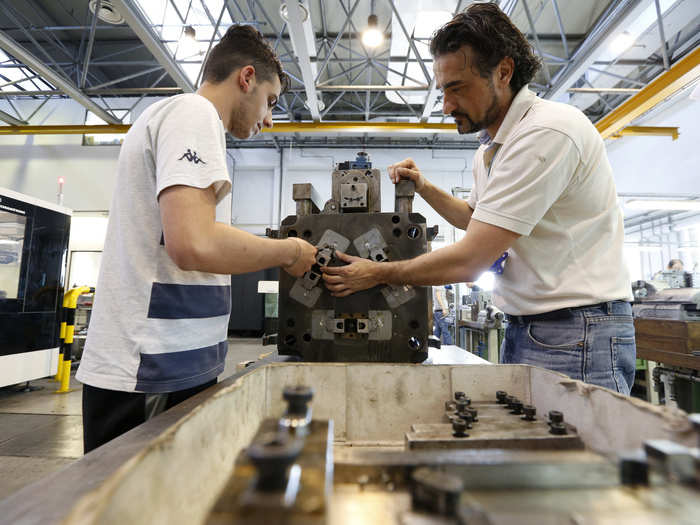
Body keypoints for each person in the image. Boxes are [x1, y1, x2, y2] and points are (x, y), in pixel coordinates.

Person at [321, 4, 636, 395]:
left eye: (457, 88)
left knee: (579, 452)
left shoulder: (547, 133)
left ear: (503, 72)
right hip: (532, 326)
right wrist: (423, 186)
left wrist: (377, 272)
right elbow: (475, 218)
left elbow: (472, 260)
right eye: (443, 91)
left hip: (577, 330)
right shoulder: (492, 147)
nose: (447, 106)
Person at [76, 25, 317, 453]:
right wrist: (290, 251)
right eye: (270, 101)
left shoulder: (186, 122)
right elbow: (194, 245)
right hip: (148, 372)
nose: (269, 119)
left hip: (171, 367)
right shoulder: (194, 114)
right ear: (246, 78)